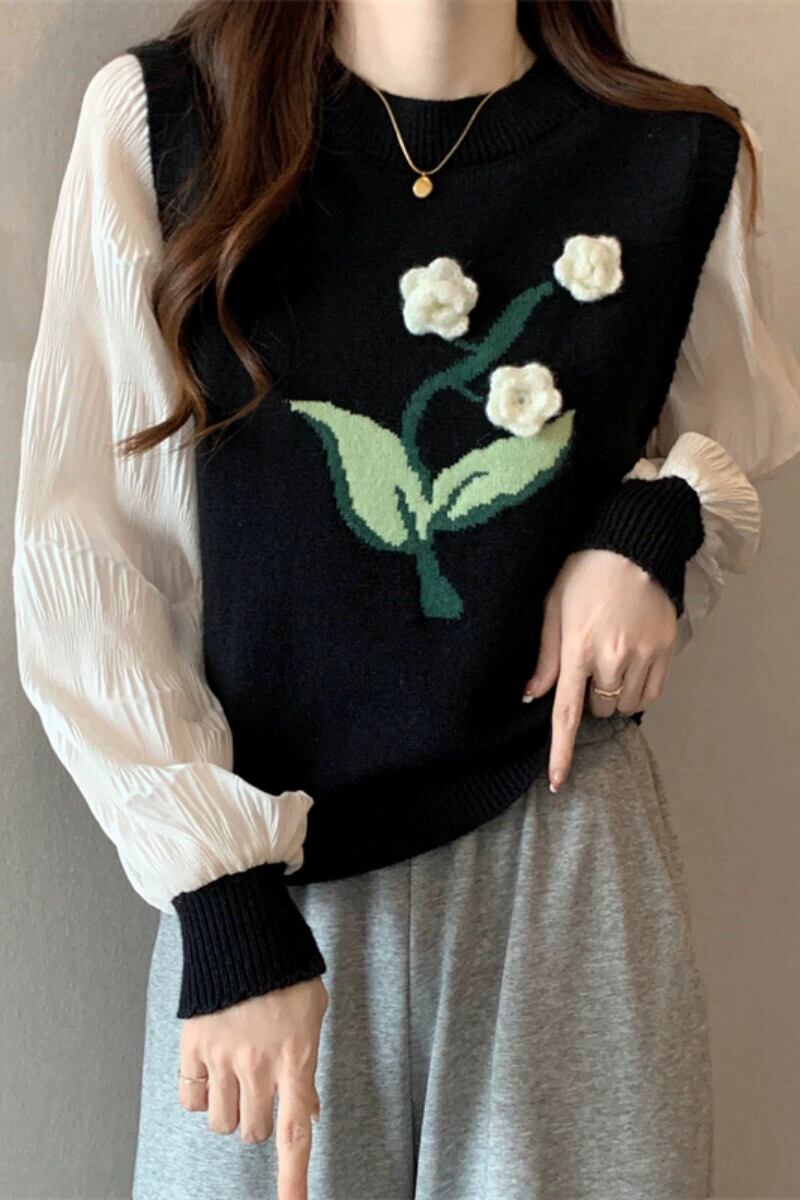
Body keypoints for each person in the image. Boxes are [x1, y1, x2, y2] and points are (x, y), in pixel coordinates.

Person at [12, 1, 800, 1197]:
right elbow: (88, 555)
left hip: (562, 867)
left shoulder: (676, 157)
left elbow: (729, 444)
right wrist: (223, 904)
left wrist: (652, 527)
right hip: (267, 885)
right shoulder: (170, 126)